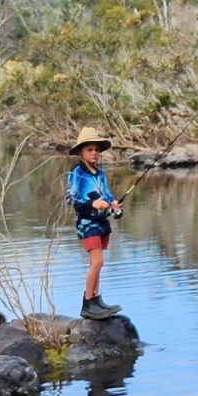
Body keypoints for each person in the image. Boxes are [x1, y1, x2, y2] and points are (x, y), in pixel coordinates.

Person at [66, 126, 122, 319]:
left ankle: (96, 300)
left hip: (101, 223)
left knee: (96, 263)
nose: (94, 153)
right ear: (80, 152)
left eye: (97, 150)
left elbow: (106, 194)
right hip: (86, 224)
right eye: (89, 149)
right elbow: (71, 199)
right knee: (97, 262)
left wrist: (113, 203)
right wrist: (93, 203)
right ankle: (88, 303)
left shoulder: (99, 173)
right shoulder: (77, 173)